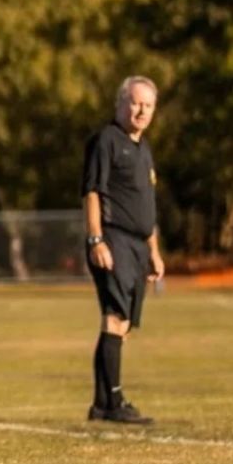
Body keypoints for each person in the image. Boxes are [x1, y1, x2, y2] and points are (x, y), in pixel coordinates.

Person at [81, 75, 165, 424]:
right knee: (114, 318)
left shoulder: (143, 148)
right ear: (121, 103)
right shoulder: (107, 140)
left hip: (138, 246)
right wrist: (96, 239)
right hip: (113, 239)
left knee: (124, 324)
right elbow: (92, 192)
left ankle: (103, 404)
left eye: (148, 105)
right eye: (135, 102)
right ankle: (113, 403)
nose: (141, 110)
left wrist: (155, 251)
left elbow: (147, 206)